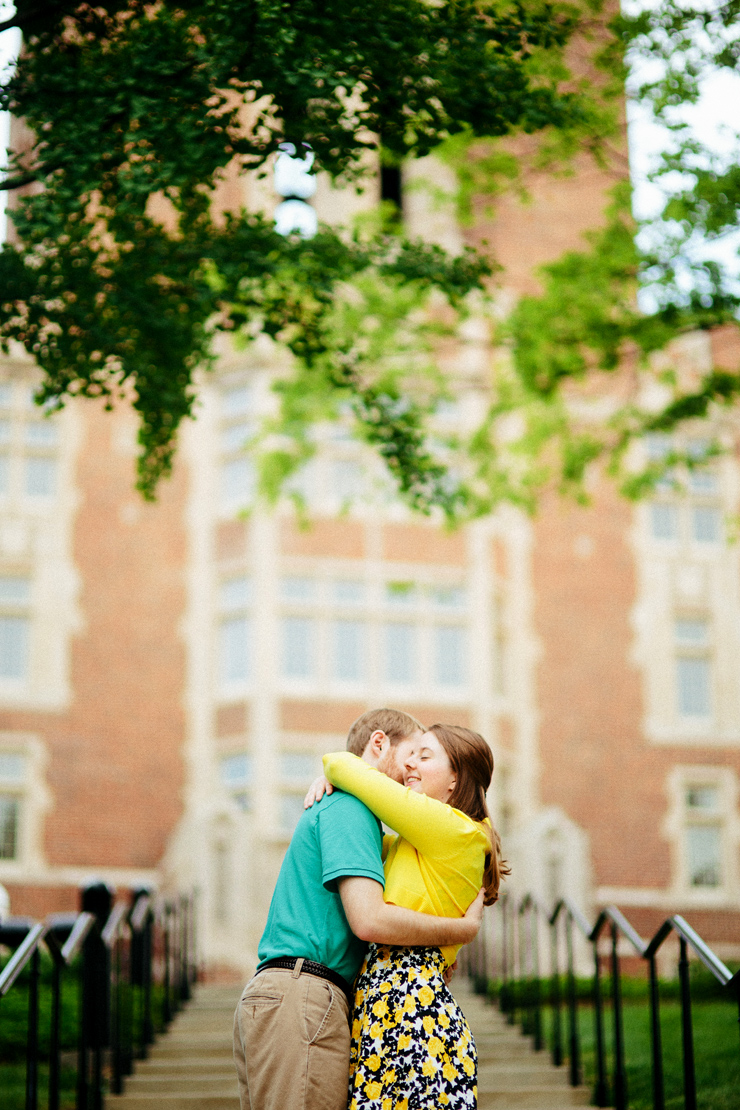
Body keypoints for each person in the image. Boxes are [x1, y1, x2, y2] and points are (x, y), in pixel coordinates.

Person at [232, 709, 486, 1110]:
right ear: (379, 744)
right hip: (305, 996)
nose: (410, 774)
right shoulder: (350, 810)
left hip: (307, 997)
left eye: (425, 758)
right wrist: (460, 930)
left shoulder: (373, 821)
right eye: (410, 758)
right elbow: (370, 919)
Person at [318, 723, 509, 1110]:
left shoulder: (452, 829)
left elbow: (341, 765)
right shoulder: (424, 841)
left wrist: (327, 775)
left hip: (409, 1010)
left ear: (455, 779)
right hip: (393, 1004)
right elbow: (365, 839)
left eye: (425, 756)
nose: (410, 767)